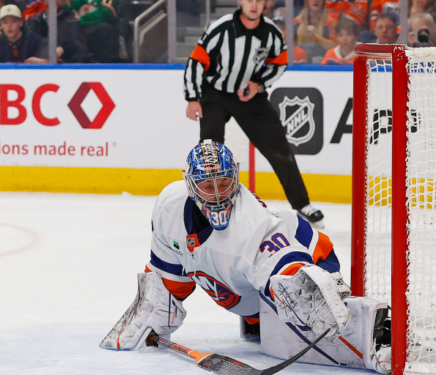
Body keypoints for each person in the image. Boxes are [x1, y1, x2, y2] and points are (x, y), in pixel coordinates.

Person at [100, 140, 392, 374]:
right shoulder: (170, 206)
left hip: (312, 257)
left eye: (224, 183)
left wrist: (346, 325)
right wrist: (149, 321)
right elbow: (168, 284)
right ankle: (259, 319)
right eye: (206, 185)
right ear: (190, 185)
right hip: (250, 287)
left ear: (236, 178)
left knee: (304, 308)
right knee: (263, 321)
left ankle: (383, 334)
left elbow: (294, 281)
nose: (216, 195)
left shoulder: (251, 226)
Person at [184, 0, 325, 227]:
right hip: (215, 94)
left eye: (260, 0)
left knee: (279, 148)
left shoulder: (271, 32)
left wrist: (258, 85)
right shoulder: (221, 27)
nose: (254, 5)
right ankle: (206, 202)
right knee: (210, 148)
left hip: (250, 96)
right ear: (240, 2)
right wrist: (192, 97)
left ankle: (302, 204)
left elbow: (279, 64)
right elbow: (196, 61)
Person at [27, 0, 92, 63]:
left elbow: (80, 52)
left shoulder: (71, 22)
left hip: (63, 69)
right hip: (34, 69)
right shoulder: (35, 22)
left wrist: (63, 49)